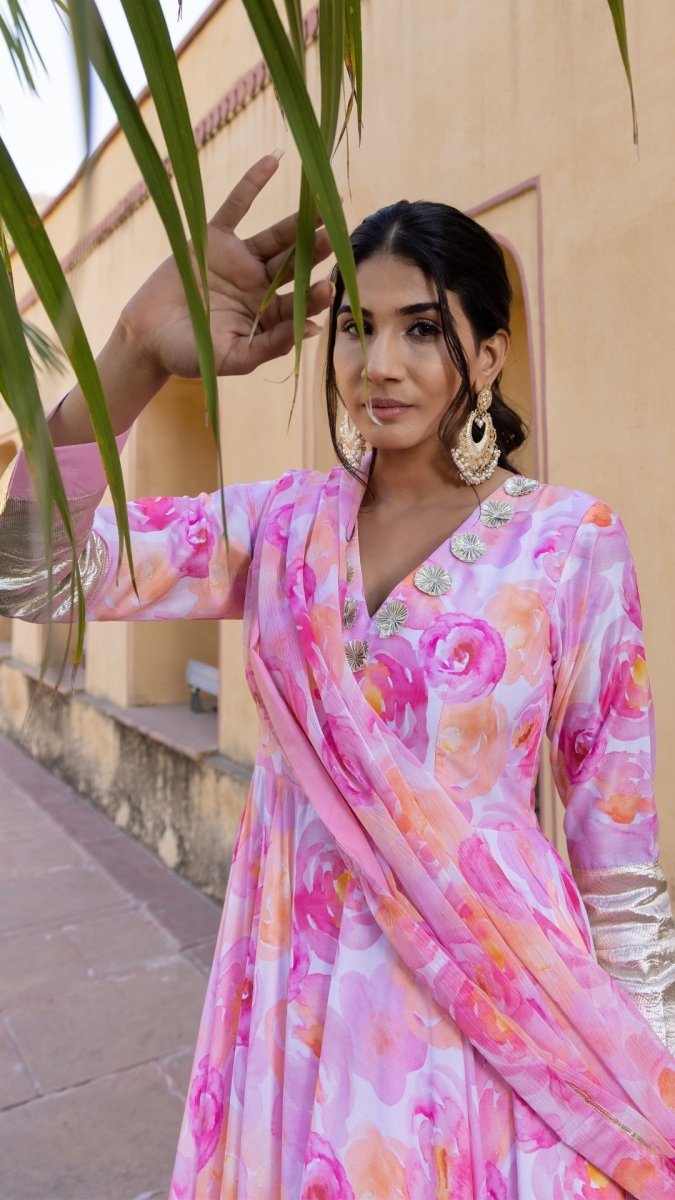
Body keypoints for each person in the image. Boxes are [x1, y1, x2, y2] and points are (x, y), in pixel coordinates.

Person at [1, 152, 675, 1200]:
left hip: (491, 1021)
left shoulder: (567, 542)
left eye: (423, 329)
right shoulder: (279, 528)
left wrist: (643, 1081)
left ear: (488, 354)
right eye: (358, 327)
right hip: (294, 1001)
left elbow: (617, 856)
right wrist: (132, 352)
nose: (381, 364)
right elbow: (34, 577)